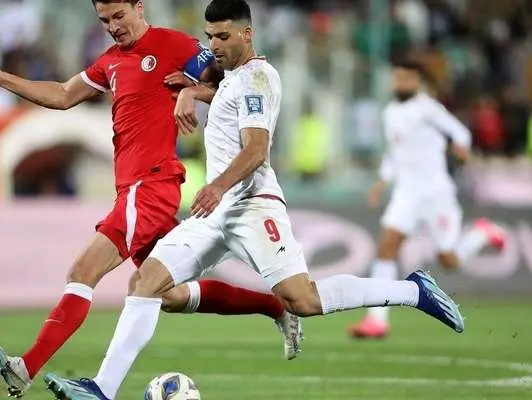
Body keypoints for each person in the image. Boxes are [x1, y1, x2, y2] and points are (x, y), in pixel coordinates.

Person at [44, 2, 464, 399]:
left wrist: (216, 186)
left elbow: (256, 149)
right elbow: (226, 98)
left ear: (247, 34)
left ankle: (413, 291)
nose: (214, 46)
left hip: (251, 205)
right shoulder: (233, 78)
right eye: (210, 36)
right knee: (146, 283)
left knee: (303, 300)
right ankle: (102, 389)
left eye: (224, 37)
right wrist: (194, 92)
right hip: (214, 214)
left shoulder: (258, 78)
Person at [0, 1, 302, 397]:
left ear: (138, 7)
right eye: (104, 20)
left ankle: (25, 368)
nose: (113, 26)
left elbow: (235, 84)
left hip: (151, 185)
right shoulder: (110, 61)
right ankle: (276, 306)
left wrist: (192, 91)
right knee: (169, 294)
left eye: (119, 16)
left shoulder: (176, 45)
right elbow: (61, 94)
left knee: (82, 271)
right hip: (131, 190)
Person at [349, 59, 506, 339]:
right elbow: (394, 152)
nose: (401, 83)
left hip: (436, 194)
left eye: (407, 78)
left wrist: (461, 148)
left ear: (417, 82)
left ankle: (483, 233)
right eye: (398, 77)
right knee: (386, 246)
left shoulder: (428, 108)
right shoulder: (390, 113)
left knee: (449, 260)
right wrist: (382, 181)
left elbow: (460, 132)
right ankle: (377, 320)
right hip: (407, 193)